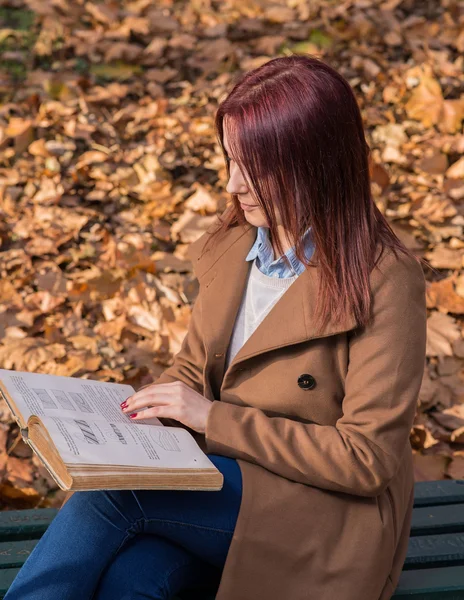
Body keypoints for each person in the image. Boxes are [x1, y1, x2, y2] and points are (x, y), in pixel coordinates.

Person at [4, 54, 428, 600]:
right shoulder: (236, 242)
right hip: (221, 484)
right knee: (129, 581)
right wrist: (135, 419)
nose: (233, 184)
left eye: (255, 168)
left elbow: (365, 461)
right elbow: (194, 366)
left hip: (327, 515)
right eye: (230, 159)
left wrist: (212, 419)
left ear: (317, 162)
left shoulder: (384, 278)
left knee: (115, 495)